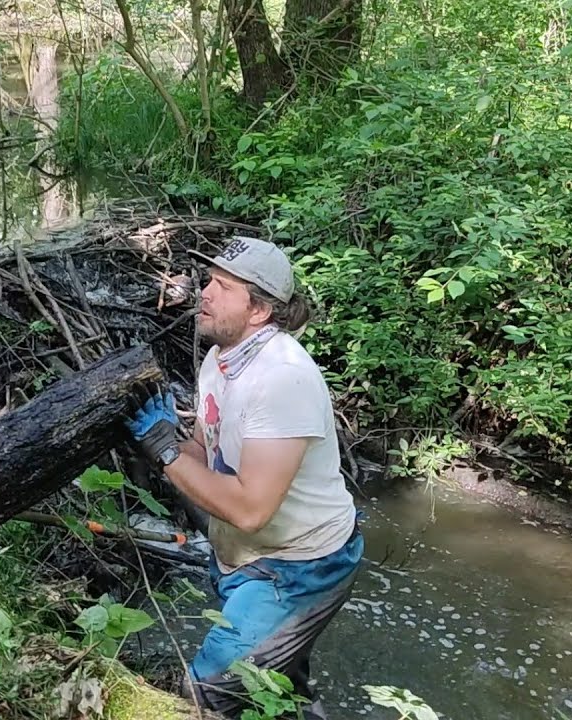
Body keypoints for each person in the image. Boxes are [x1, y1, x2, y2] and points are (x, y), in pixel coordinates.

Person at [125, 236, 364, 719]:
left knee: (211, 689)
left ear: (259, 311)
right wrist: (169, 442)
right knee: (279, 685)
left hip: (300, 568)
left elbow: (251, 509)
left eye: (223, 286)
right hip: (247, 557)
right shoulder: (221, 359)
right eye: (209, 281)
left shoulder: (282, 378)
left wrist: (164, 450)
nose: (204, 293)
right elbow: (202, 451)